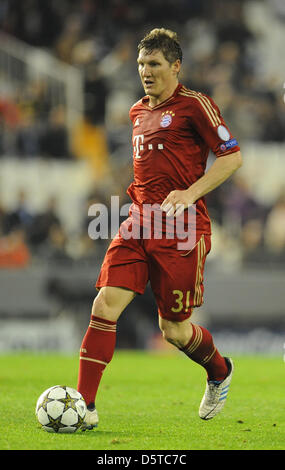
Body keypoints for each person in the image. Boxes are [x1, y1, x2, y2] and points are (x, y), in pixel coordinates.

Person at [77, 28, 242, 428]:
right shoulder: (136, 111)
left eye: (154, 64)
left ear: (175, 66)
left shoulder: (195, 106)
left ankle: (219, 371)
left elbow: (231, 157)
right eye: (141, 65)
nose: (145, 72)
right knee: (104, 306)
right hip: (137, 222)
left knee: (173, 330)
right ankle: (84, 408)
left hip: (183, 230)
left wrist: (190, 192)